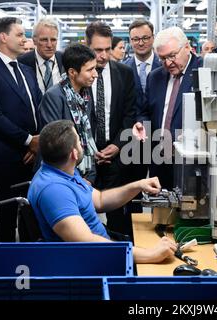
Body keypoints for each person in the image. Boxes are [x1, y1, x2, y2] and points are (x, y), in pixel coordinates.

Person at [27, 120, 177, 263]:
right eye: (79, 141)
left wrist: (138, 185)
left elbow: (100, 200)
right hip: (94, 261)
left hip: (105, 244)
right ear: (74, 154)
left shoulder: (63, 170)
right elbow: (86, 242)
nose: (82, 144)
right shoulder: (54, 191)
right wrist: (150, 255)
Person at [0, 17, 42, 242]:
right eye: (20, 35)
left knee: (31, 214)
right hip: (8, 156)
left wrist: (37, 142)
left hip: (33, 156)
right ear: (3, 37)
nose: (25, 40)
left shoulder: (26, 70)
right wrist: (28, 140)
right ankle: (4, 266)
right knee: (7, 213)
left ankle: (30, 261)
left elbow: (38, 108)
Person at [132, 26, 202, 189]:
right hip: (160, 160)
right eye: (162, 58)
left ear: (187, 47)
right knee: (162, 210)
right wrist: (141, 124)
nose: (168, 63)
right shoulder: (155, 77)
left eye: (172, 56)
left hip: (192, 160)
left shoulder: (204, 71)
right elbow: (144, 111)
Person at [85, 22, 136, 239]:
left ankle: (123, 261)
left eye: (107, 49)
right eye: (98, 50)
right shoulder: (77, 75)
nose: (103, 55)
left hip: (116, 155)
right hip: (86, 158)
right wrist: (89, 149)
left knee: (118, 216)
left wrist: (117, 145)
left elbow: (130, 114)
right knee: (84, 214)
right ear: (87, 46)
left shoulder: (124, 73)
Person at [38, 43, 98, 183]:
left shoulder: (85, 94)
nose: (95, 74)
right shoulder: (54, 97)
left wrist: (89, 177)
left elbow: (87, 138)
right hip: (60, 177)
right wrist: (77, 180)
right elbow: (55, 146)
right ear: (72, 72)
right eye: (90, 70)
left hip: (84, 174)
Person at [123, 19, 161, 213]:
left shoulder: (165, 64)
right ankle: (132, 231)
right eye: (135, 39)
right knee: (134, 187)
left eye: (145, 37)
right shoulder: (123, 69)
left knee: (162, 188)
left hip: (163, 136)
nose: (140, 42)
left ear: (153, 38)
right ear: (130, 41)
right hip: (135, 138)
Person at [18, 18, 64, 94]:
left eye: (53, 40)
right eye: (44, 40)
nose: (49, 45)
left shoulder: (65, 60)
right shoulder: (21, 63)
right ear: (34, 41)